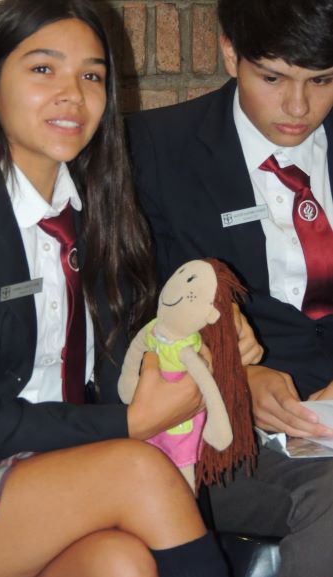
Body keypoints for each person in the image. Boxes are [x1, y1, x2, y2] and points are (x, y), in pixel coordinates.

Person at [0, 0, 254, 576]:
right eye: (43, 69)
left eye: (91, 76)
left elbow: (132, 345)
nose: (73, 94)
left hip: (62, 467)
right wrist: (130, 425)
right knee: (136, 468)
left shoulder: (98, 211)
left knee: (120, 563)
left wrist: (213, 333)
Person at [127, 0, 333, 576]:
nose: (298, 107)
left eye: (323, 81)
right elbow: (126, 319)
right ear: (229, 52)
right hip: (219, 438)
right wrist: (232, 378)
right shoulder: (152, 150)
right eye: (273, 78)